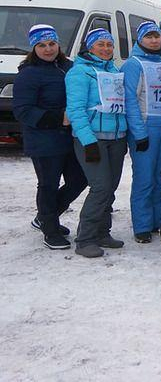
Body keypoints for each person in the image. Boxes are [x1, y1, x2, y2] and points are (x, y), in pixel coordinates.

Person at [12, 24, 87, 249]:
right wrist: (58, 118)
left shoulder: (69, 67)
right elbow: (23, 110)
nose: (48, 49)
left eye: (52, 44)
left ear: (58, 44)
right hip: (44, 140)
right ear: (33, 47)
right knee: (48, 185)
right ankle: (51, 231)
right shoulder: (28, 74)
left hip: (70, 138)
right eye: (42, 45)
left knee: (79, 180)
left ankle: (46, 217)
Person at [65, 28, 128, 258]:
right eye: (100, 44)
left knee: (109, 188)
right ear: (89, 47)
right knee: (100, 187)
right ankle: (85, 239)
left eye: (109, 45)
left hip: (116, 139)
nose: (105, 49)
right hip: (92, 139)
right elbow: (75, 110)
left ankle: (103, 232)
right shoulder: (79, 73)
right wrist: (88, 141)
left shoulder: (115, 71)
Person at [121, 21, 161, 243]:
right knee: (144, 177)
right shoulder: (132, 64)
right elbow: (130, 100)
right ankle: (142, 225)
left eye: (157, 36)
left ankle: (157, 220)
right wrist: (139, 132)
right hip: (146, 128)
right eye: (149, 36)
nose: (154, 40)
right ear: (140, 39)